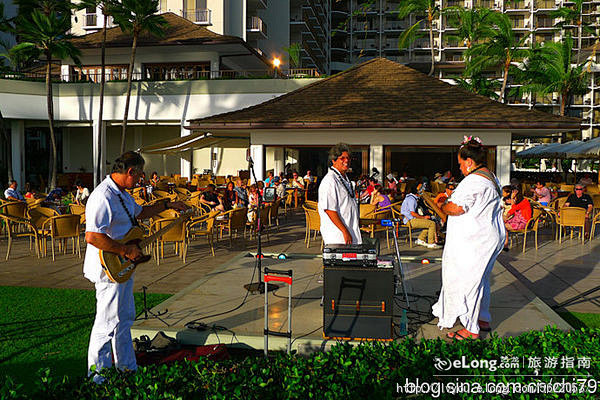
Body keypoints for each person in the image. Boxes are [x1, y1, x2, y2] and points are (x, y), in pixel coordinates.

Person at [84, 151, 187, 383]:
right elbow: (92, 236)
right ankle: (97, 378)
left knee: (124, 319)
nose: (141, 179)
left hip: (123, 267)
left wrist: (168, 204)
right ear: (130, 171)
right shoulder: (102, 196)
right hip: (108, 268)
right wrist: (124, 251)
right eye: (139, 175)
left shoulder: (121, 193)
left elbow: (141, 212)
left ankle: (127, 369)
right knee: (106, 323)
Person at [433, 137, 505, 340]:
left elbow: (457, 208)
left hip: (476, 240)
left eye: (461, 164)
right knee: (481, 280)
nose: (460, 168)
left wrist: (443, 205)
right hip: (487, 236)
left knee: (468, 282)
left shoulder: (474, 180)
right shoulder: (490, 176)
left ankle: (471, 329)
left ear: (470, 162)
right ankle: (483, 318)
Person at [318, 143, 362, 245]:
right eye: (342, 158)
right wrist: (345, 231)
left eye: (348, 158)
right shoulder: (330, 181)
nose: (346, 161)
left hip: (350, 234)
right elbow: (330, 210)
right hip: (338, 237)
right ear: (333, 160)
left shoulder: (344, 178)